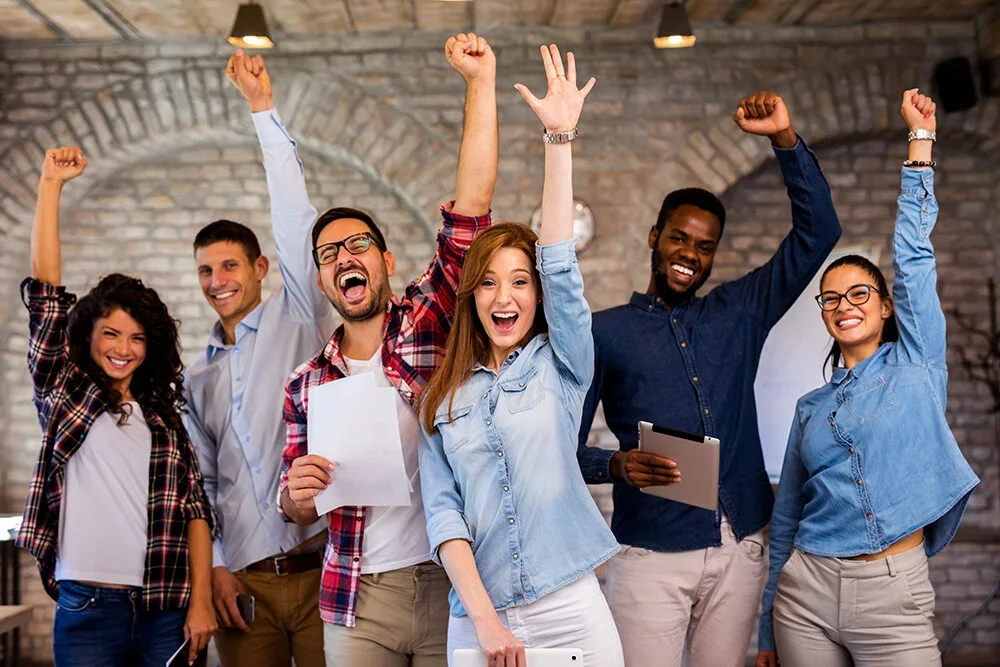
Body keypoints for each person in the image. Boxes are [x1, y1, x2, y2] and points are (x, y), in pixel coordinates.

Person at [576, 92, 843, 667]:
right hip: (649, 553)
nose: (689, 254)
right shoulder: (604, 332)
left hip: (741, 547)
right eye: (678, 238)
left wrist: (785, 140)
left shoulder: (739, 311)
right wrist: (615, 465)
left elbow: (818, 234)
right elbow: (561, 448)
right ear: (654, 237)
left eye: (704, 246)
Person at [277, 33, 497, 666]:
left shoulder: (428, 320)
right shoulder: (305, 385)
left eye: (357, 245)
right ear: (323, 282)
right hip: (355, 597)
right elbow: (294, 509)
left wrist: (478, 85)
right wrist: (298, 490)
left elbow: (471, 212)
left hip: (447, 582)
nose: (343, 257)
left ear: (385, 260)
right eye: (328, 255)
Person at [755, 90, 979, 667]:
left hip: (891, 591)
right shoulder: (811, 407)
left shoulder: (917, 364)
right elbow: (786, 521)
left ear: (884, 307)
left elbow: (913, 260)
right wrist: (765, 630)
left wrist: (920, 144)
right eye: (831, 299)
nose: (843, 304)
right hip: (804, 593)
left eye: (859, 293)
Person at [419, 44, 623, 667]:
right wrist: (487, 623)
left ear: (536, 295)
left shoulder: (564, 367)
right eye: (487, 282)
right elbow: (444, 518)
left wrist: (559, 138)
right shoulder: (443, 398)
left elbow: (560, 261)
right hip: (481, 617)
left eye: (518, 280)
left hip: (571, 606)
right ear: (471, 297)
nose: (503, 296)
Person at [16, 147, 218, 666]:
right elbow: (45, 292)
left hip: (165, 610)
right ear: (88, 337)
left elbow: (196, 511)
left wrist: (200, 603)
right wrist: (50, 186)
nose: (123, 348)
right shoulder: (66, 392)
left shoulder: (164, 419)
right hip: (87, 608)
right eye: (110, 334)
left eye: (136, 338)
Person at [181, 49, 335, 667]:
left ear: (261, 269)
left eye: (229, 266)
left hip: (323, 565)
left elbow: (297, 222)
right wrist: (214, 568)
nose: (217, 280)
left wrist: (262, 109)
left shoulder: (298, 317)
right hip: (244, 584)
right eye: (205, 271)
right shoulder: (197, 376)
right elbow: (205, 484)